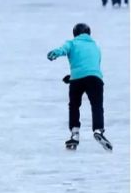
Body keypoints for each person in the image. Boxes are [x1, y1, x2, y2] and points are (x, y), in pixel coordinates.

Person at [47, 23, 111, 151]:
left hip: (77, 79)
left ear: (75, 33)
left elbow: (63, 50)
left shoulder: (72, 43)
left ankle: (75, 134)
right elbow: (91, 66)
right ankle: (98, 130)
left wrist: (55, 53)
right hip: (95, 78)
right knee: (97, 105)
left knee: (74, 106)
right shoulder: (96, 46)